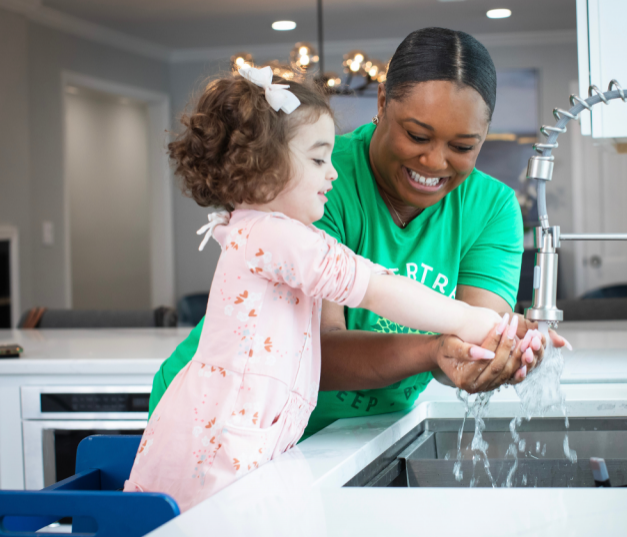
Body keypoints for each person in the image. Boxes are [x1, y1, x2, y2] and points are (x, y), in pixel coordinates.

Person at [125, 63, 516, 512]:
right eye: (317, 160)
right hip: (219, 435)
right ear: (263, 166)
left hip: (242, 428)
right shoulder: (279, 236)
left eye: (331, 158)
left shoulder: (265, 230)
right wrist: (474, 321)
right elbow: (374, 287)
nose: (333, 173)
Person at [150, 27, 566, 442]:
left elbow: (467, 349)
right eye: (417, 136)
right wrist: (461, 335)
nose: (435, 160)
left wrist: (499, 346)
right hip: (218, 420)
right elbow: (328, 340)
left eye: (462, 146)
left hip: (319, 432)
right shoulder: (305, 185)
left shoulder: (490, 208)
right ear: (382, 102)